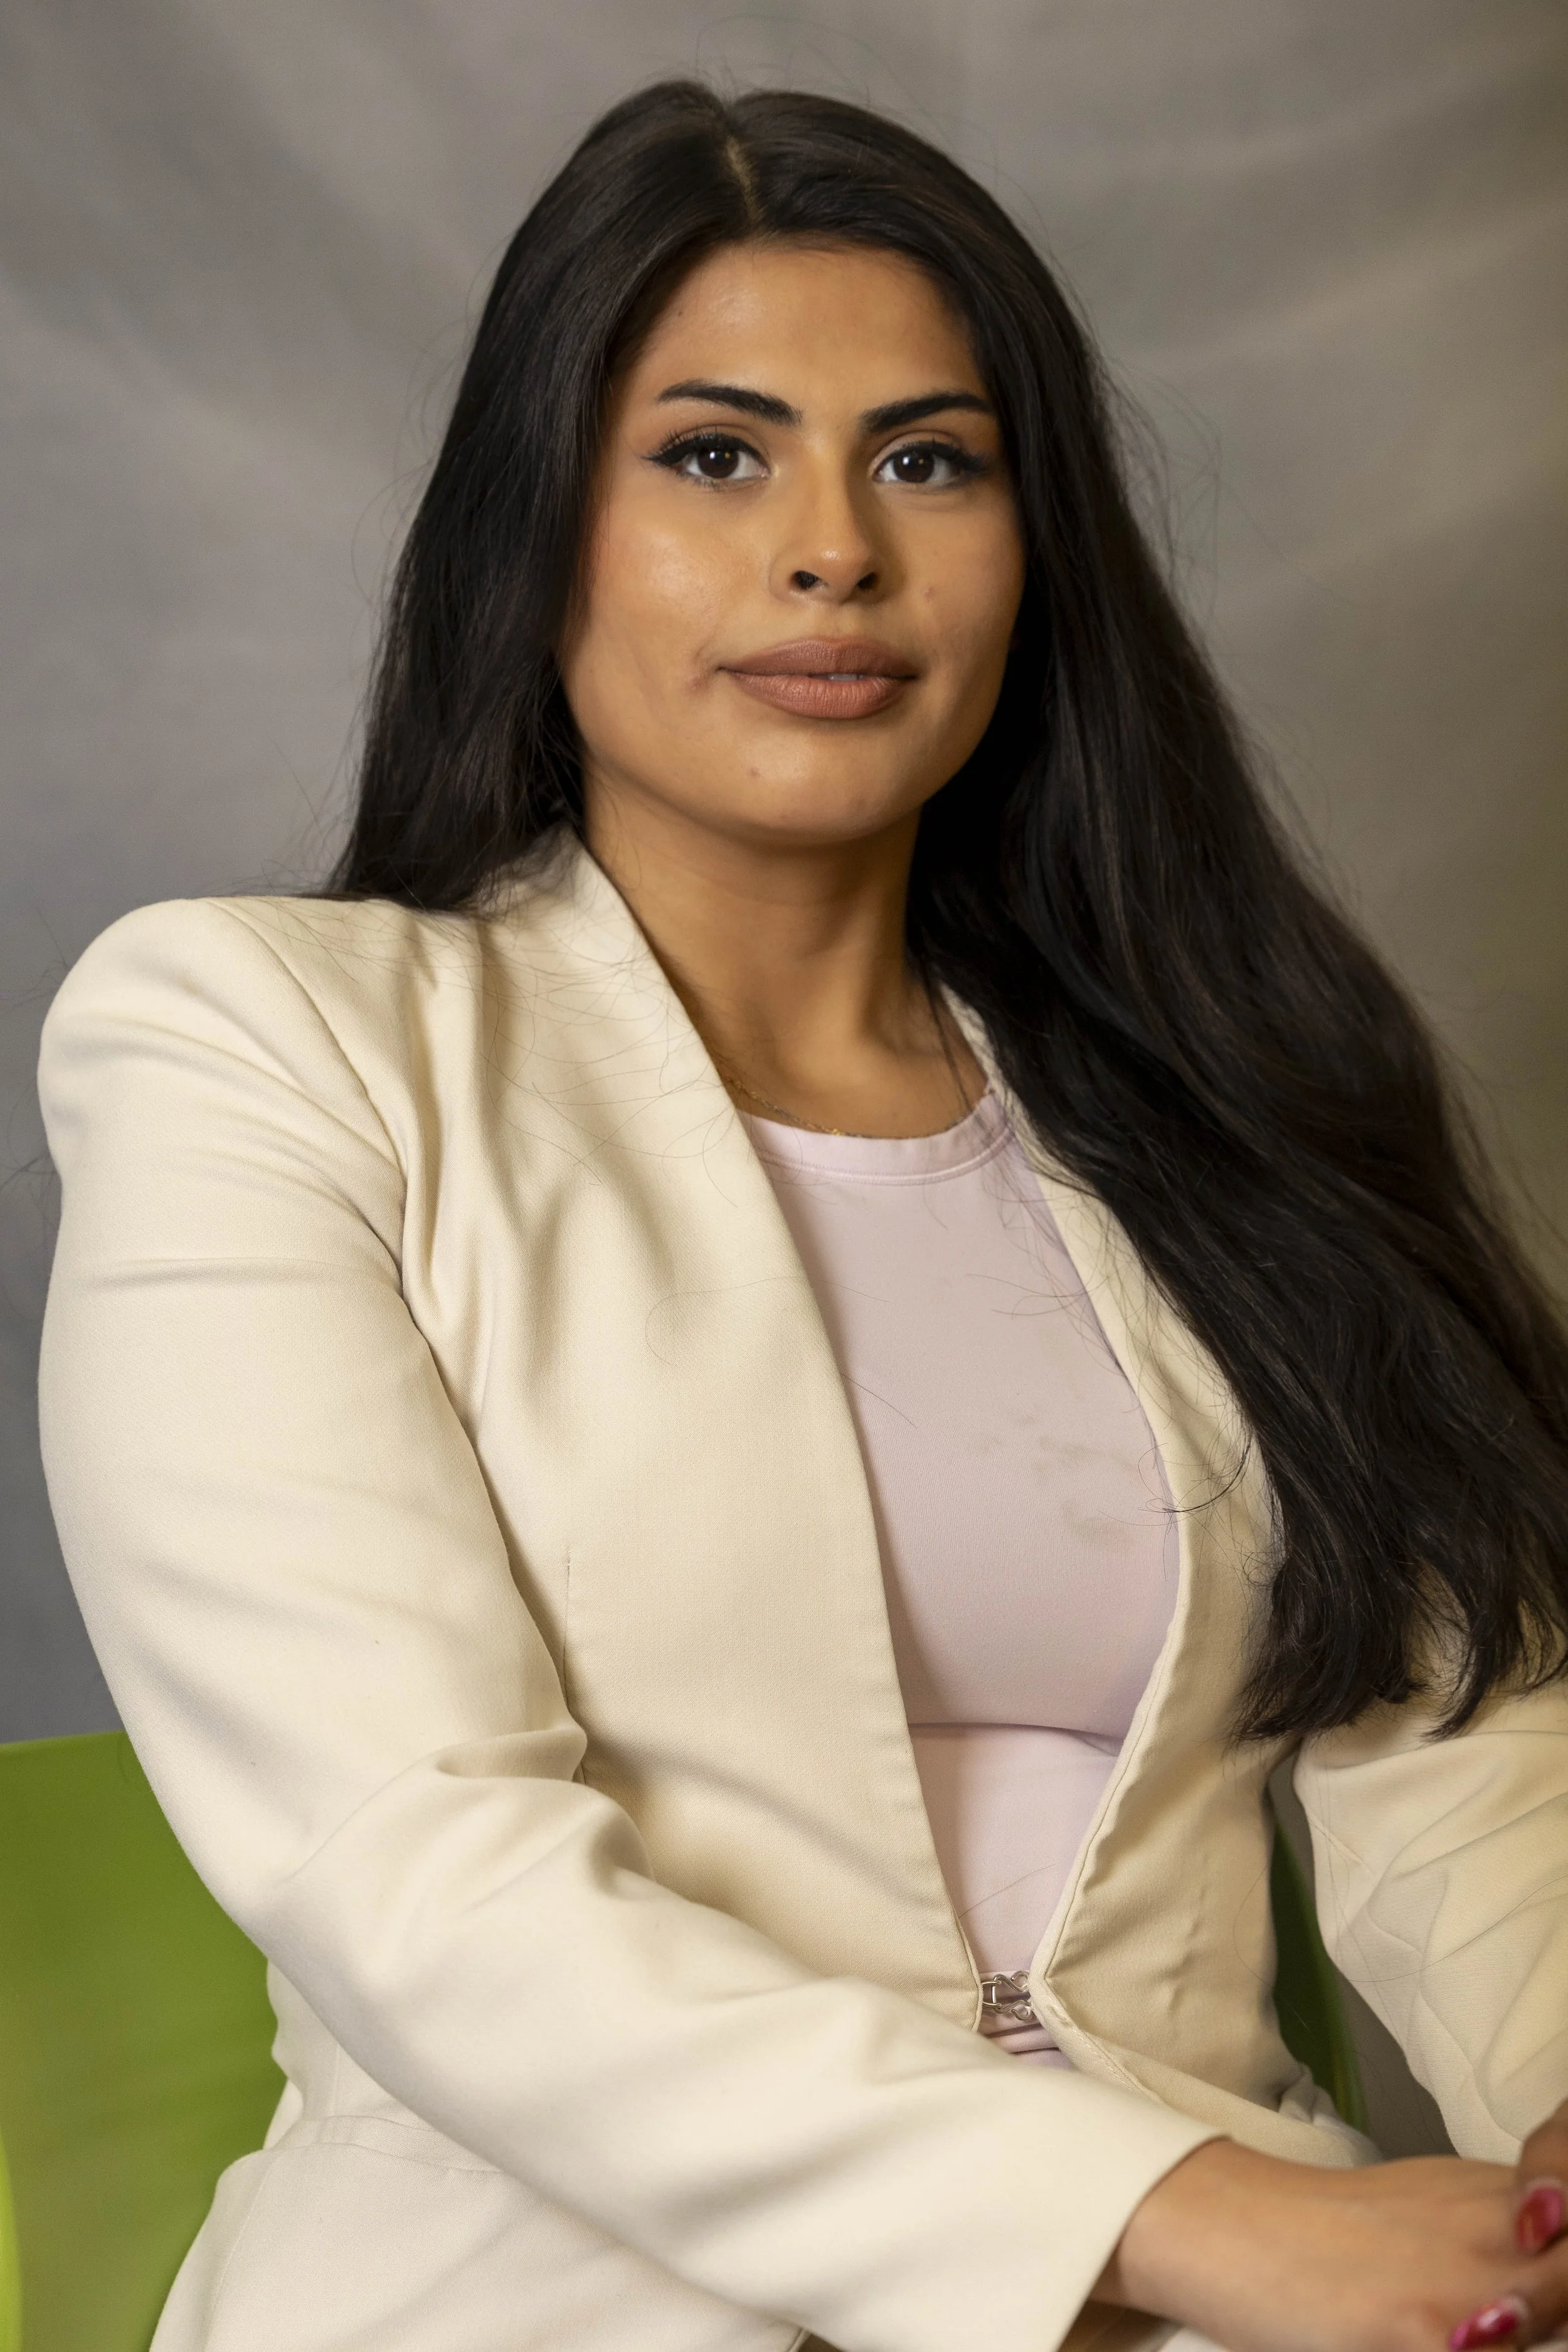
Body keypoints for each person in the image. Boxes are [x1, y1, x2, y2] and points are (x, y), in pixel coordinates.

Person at [36, 78, 1568, 2352]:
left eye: (929, 459)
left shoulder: (1220, 1103)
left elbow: (1458, 1736)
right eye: (713, 453)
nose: (833, 547)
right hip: (554, 2300)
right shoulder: (262, 1041)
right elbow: (414, 1868)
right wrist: (1169, 2210)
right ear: (535, 528)